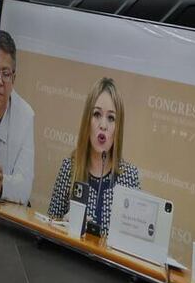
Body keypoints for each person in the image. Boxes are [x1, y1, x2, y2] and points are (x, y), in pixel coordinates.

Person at [48, 78, 141, 236]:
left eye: (111, 118)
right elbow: (48, 231)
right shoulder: (69, 168)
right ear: (87, 121)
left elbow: (134, 242)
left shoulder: (130, 178)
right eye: (97, 114)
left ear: (118, 128)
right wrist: (63, 226)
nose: (103, 125)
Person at [0, 31, 35, 205]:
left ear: (14, 78)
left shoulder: (26, 116)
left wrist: (3, 183)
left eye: (5, 73)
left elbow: (25, 187)